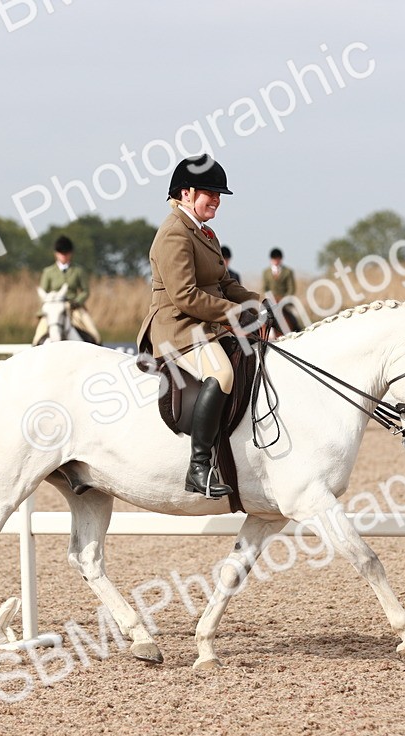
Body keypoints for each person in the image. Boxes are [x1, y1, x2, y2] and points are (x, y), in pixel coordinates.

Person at [138, 155, 267, 498]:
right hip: (178, 327)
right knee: (222, 374)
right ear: (186, 193)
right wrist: (236, 315)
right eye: (210, 192)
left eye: (218, 194)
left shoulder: (204, 232)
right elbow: (185, 297)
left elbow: (224, 284)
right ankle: (198, 468)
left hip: (205, 323)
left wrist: (258, 303)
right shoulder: (173, 234)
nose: (216, 200)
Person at [35, 236, 101, 345]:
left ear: (71, 254)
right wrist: (49, 304)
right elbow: (43, 291)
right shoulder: (48, 272)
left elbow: (85, 291)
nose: (64, 256)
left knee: (95, 334)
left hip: (73, 307)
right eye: (61, 253)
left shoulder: (78, 271)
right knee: (38, 336)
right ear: (56, 254)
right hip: (54, 308)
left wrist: (76, 302)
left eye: (66, 253)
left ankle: (98, 348)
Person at [261, 248, 302, 332]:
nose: (276, 261)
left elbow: (291, 288)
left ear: (281, 259)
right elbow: (265, 288)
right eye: (274, 259)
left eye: (277, 258)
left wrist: (284, 299)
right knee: (263, 316)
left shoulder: (288, 271)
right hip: (271, 301)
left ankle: (298, 329)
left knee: (294, 315)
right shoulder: (266, 272)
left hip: (285, 301)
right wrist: (270, 298)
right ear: (271, 259)